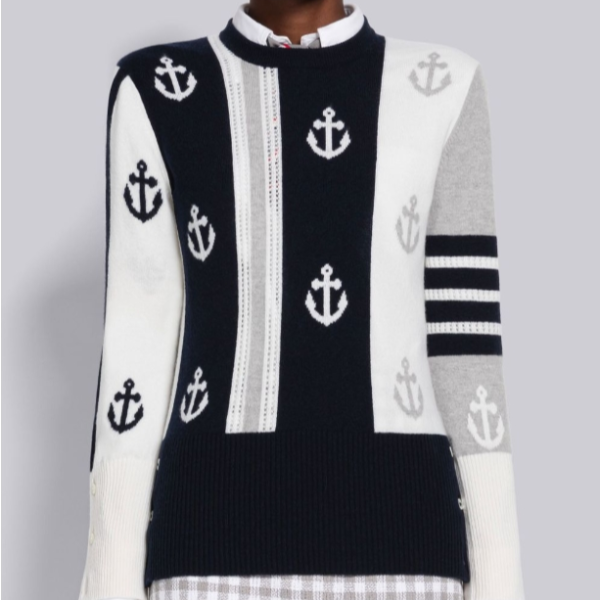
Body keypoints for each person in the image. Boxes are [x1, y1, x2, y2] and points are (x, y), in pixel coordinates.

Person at [78, 2, 525, 600]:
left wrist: (500, 571)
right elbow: (138, 330)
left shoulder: (444, 85)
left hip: (406, 550)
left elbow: (465, 340)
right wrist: (110, 571)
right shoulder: (157, 89)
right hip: (206, 548)